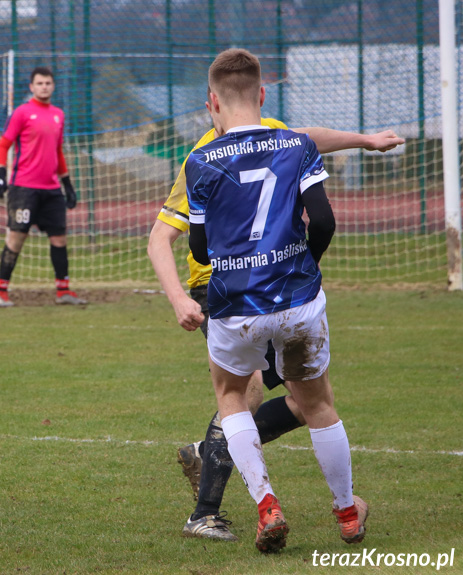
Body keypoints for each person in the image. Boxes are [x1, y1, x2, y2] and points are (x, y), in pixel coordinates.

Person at [149, 97, 402, 541]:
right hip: (220, 285)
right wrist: (178, 299)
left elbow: (310, 137)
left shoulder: (269, 131)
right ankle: (204, 512)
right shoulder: (204, 155)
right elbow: (161, 236)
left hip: (269, 284)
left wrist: (364, 140)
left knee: (306, 403)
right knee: (247, 392)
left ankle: (208, 453)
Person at [181, 47, 369, 553]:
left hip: (234, 305)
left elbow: (198, 246)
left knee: (231, 398)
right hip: (297, 298)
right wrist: (305, 263)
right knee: (317, 402)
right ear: (262, 95)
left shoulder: (199, 161)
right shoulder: (296, 144)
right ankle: (348, 513)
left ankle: (267, 504)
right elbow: (323, 221)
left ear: (212, 104)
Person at [0, 66, 87, 307]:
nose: (44, 87)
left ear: (53, 86)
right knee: (16, 238)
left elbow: (58, 152)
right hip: (24, 188)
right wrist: (1, 174)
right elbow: (3, 146)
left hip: (51, 190)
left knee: (59, 239)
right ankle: (1, 291)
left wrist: (67, 184)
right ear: (31, 87)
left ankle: (63, 291)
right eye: (39, 83)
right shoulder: (22, 113)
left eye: (48, 83)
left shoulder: (58, 115)